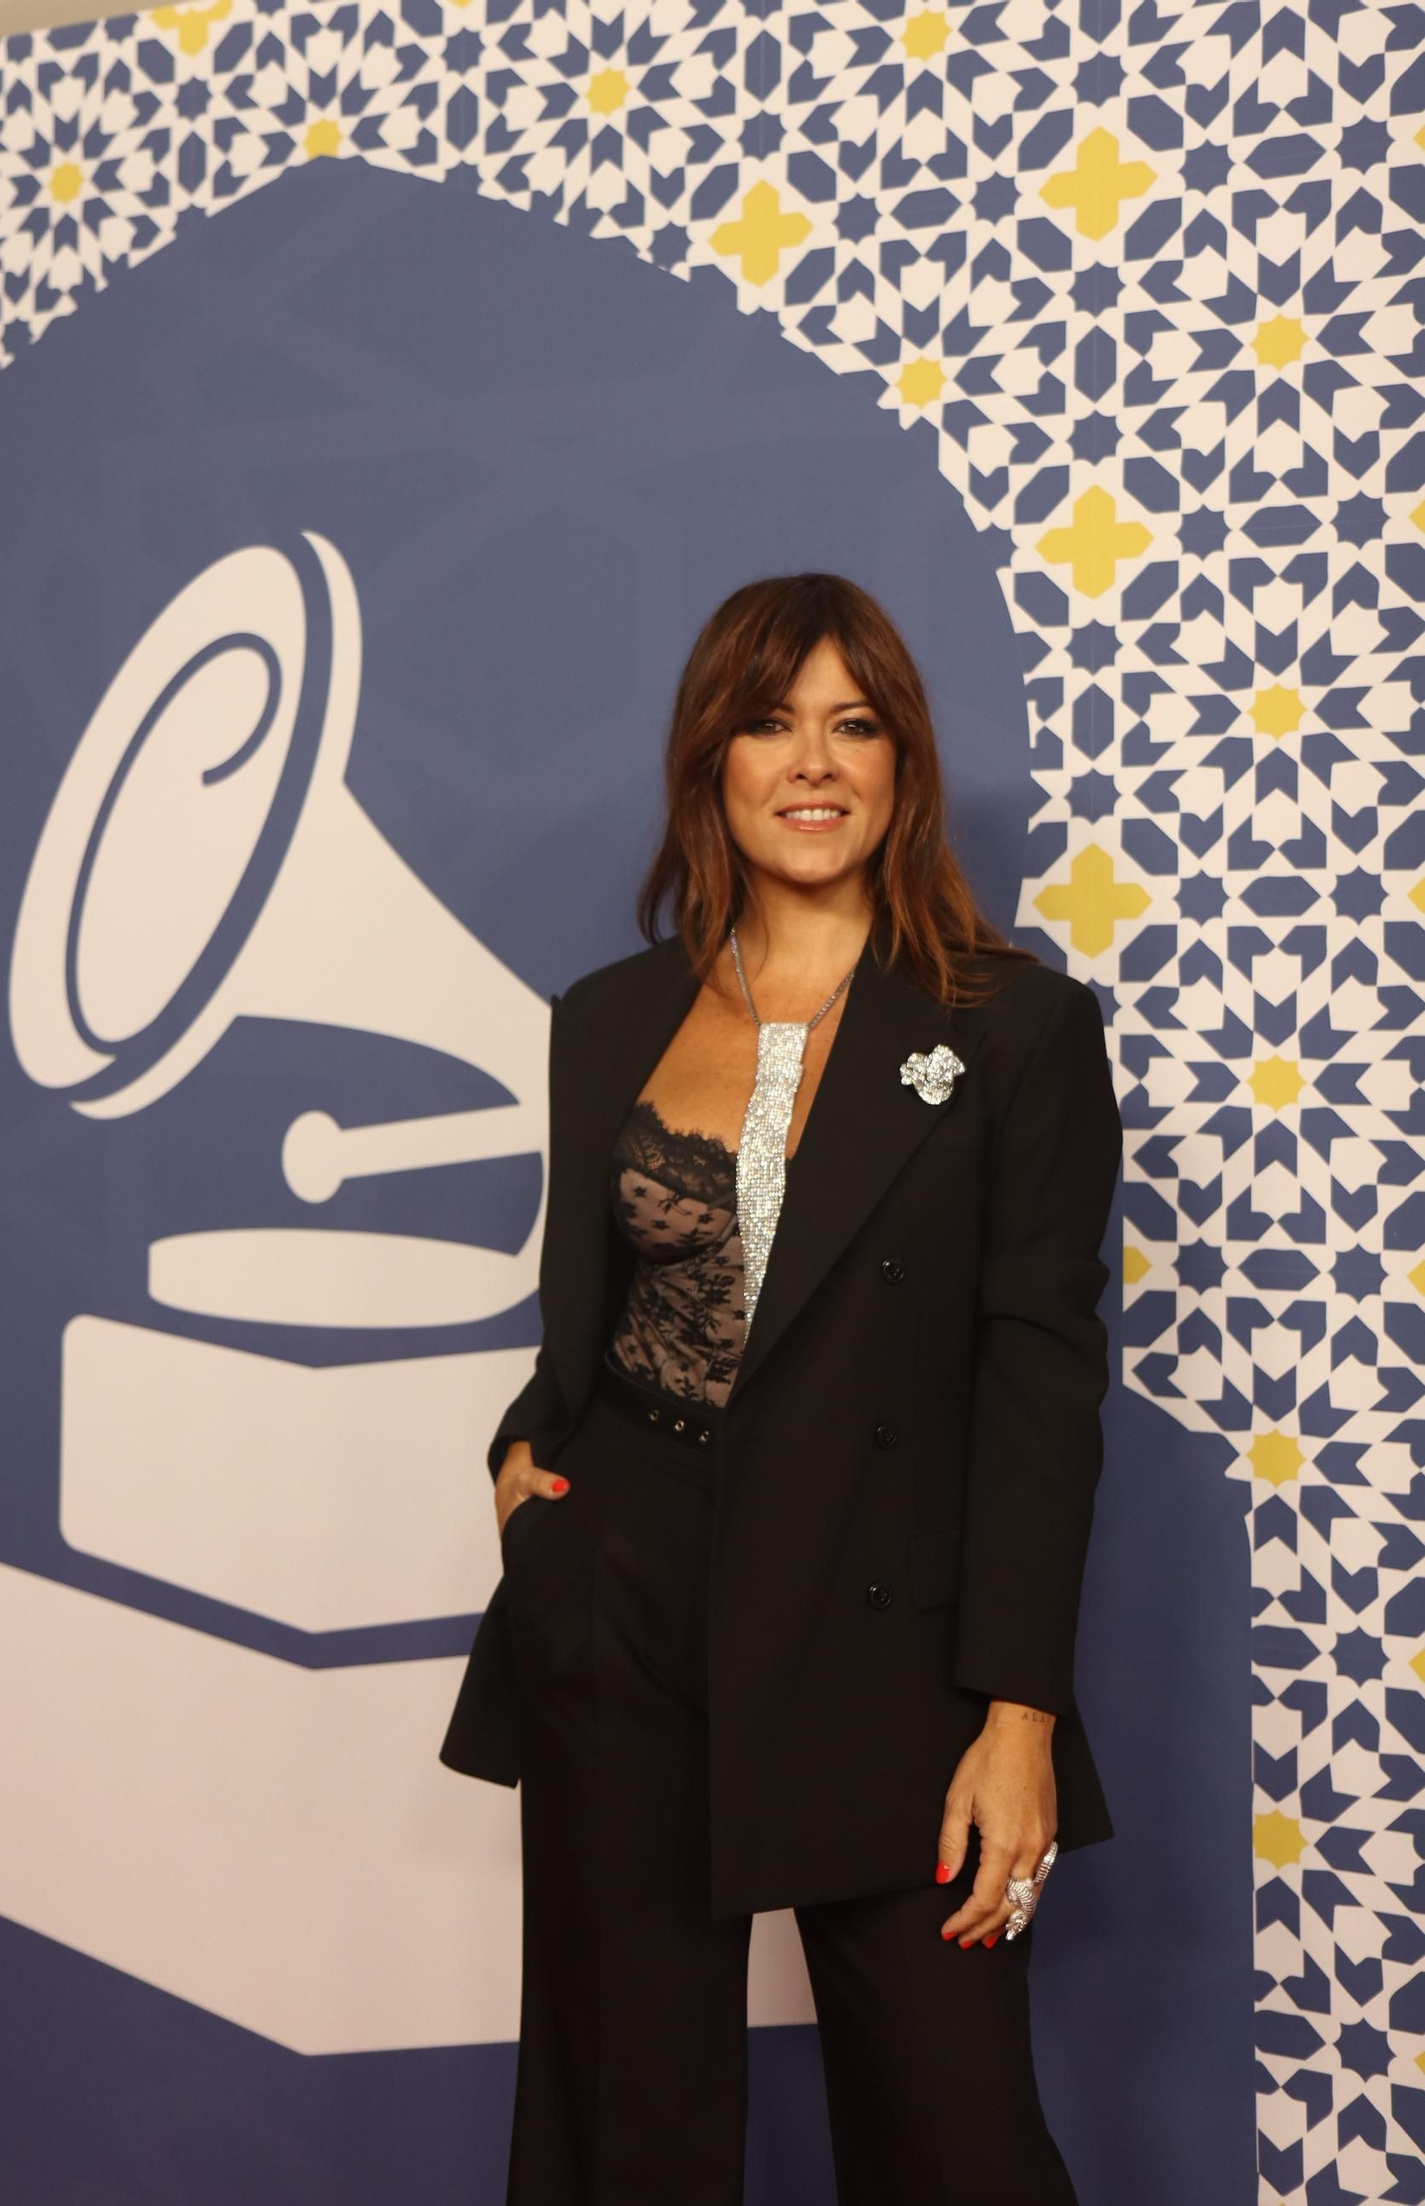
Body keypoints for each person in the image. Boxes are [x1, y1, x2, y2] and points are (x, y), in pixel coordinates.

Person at [439, 571, 1124, 2204]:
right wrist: (527, 1463)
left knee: (961, 2140)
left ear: (901, 766)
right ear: (712, 764)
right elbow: (585, 1319)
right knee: (631, 2131)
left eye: (853, 723)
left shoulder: (1016, 1026)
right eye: (768, 722)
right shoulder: (607, 1022)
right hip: (628, 1603)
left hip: (892, 1625)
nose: (811, 762)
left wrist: (1015, 1717)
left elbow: (1042, 1383)